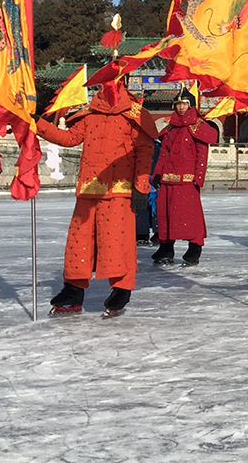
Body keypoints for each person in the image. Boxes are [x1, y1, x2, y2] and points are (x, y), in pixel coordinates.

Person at [38, 79, 158, 317]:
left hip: (119, 190)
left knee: (116, 242)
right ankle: (73, 290)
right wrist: (37, 123)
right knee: (79, 242)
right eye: (104, 86)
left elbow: (144, 150)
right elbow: (69, 138)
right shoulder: (89, 113)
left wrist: (141, 185)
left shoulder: (135, 114)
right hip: (89, 188)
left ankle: (121, 289)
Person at [151, 89, 220, 267]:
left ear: (191, 106)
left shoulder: (198, 126)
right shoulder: (171, 127)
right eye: (178, 104)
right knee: (165, 215)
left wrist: (198, 177)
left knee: (190, 216)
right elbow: (164, 153)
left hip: (187, 180)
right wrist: (157, 173)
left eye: (184, 104)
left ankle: (194, 248)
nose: (181, 107)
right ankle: (166, 249)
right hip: (167, 179)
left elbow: (202, 154)